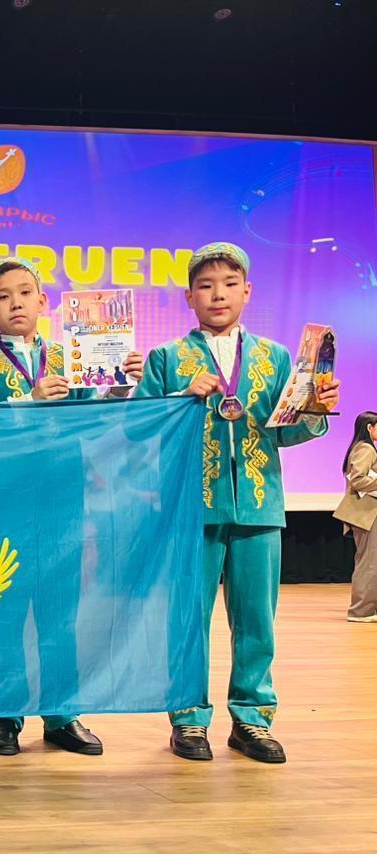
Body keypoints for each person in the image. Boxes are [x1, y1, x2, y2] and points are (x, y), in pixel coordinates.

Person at [135, 242, 339, 764]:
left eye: (229, 284)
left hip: (259, 503)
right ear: (189, 297)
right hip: (190, 511)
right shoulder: (166, 359)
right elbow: (141, 433)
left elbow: (285, 432)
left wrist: (316, 410)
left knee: (256, 621)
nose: (218, 294)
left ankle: (252, 718)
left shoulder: (275, 357)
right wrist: (180, 399)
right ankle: (188, 717)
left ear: (248, 291)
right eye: (205, 286)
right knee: (188, 618)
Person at [0, 257, 142, 757]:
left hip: (64, 502)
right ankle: (5, 715)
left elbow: (97, 417)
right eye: (3, 296)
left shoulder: (72, 356)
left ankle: (62, 714)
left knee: (60, 615)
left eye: (26, 292)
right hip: (2, 505)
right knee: (4, 614)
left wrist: (121, 382)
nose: (16, 303)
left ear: (44, 302)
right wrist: (29, 399)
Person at [333, 412, 377, 622]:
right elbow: (358, 479)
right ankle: (361, 611)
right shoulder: (366, 449)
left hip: (367, 514)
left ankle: (368, 608)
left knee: (370, 562)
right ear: (370, 427)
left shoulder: (361, 447)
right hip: (367, 514)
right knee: (369, 563)